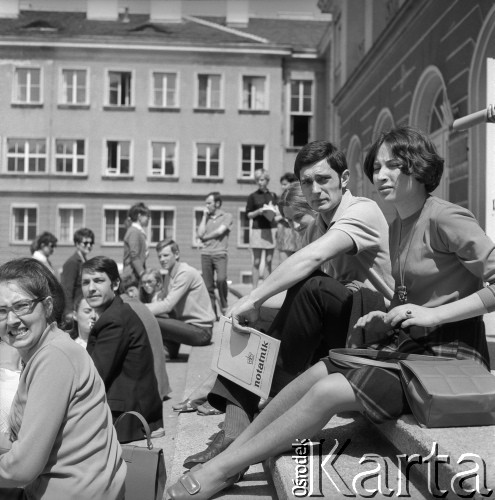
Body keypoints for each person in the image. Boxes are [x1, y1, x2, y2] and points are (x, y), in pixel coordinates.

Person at [167, 125, 495, 500]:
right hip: (410, 345)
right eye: (377, 167)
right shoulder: (399, 225)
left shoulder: (445, 216)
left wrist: (434, 315)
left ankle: (220, 469)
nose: (381, 175)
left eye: (393, 166)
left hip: (450, 356)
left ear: (418, 167)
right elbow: (410, 294)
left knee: (326, 388)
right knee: (319, 371)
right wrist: (385, 314)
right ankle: (235, 447)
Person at [182, 140, 394, 469]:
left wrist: (254, 298)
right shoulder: (321, 224)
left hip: (376, 333)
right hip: (347, 328)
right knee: (269, 313)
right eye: (307, 182)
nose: (315, 189)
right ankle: (236, 427)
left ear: (345, 179)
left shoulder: (361, 211)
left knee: (308, 286)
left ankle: (255, 403)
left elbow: (313, 259)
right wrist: (252, 319)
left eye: (323, 179)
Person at [0, 258, 126, 499]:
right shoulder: (51, 348)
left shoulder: (54, 358)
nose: (12, 320)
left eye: (22, 306)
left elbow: (22, 468)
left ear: (47, 306)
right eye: (2, 310)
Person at [82, 256, 163, 442]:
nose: (91, 288)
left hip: (125, 418)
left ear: (116, 284)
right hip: (125, 407)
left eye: (99, 281)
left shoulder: (114, 320)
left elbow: (94, 376)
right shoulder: (116, 312)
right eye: (86, 282)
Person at [146, 239, 215, 360]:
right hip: (187, 326)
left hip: (201, 332)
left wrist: (139, 309)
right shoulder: (169, 275)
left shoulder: (185, 273)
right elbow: (162, 303)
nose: (162, 259)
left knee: (152, 318)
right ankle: (167, 351)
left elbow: (167, 305)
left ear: (176, 254)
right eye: (160, 256)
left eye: (166, 255)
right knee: (163, 316)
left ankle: (161, 351)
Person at [120, 275, 171, 400]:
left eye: (132, 290)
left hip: (149, 390)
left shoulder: (128, 307)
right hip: (161, 387)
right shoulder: (141, 306)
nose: (131, 294)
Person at [197, 192, 233, 317]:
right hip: (206, 254)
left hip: (220, 253)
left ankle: (224, 304)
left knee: (221, 279)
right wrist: (203, 217)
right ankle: (212, 312)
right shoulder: (206, 218)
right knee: (208, 285)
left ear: (217, 203)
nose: (206, 205)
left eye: (209, 203)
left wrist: (205, 238)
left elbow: (220, 231)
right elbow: (200, 233)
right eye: (206, 203)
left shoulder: (226, 216)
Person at [246, 168, 278, 288]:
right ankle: (254, 289)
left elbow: (277, 212)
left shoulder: (273, 195)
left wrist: (272, 210)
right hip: (257, 229)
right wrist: (259, 211)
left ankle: (265, 289)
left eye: (262, 179)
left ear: (267, 180)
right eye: (257, 180)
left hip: (271, 229)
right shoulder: (252, 196)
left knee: (269, 261)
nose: (259, 182)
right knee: (256, 261)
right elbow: (248, 215)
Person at [61, 227, 95, 321]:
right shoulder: (72, 263)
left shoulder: (85, 262)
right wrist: (68, 311)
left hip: (84, 308)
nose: (89, 245)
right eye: (85, 243)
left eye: (91, 243)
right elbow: (67, 289)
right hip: (74, 312)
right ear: (77, 244)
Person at [275, 172, 300, 263]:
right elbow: (276, 215)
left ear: (292, 183)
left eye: (285, 184)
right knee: (283, 263)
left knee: (297, 263)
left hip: (296, 231)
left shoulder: (298, 197)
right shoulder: (280, 198)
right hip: (283, 231)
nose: (282, 187)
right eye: (281, 185)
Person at [122, 202, 150, 283]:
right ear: (139, 216)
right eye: (147, 216)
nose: (148, 219)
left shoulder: (138, 232)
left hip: (135, 275)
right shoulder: (134, 232)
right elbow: (134, 255)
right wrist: (142, 274)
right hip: (132, 277)